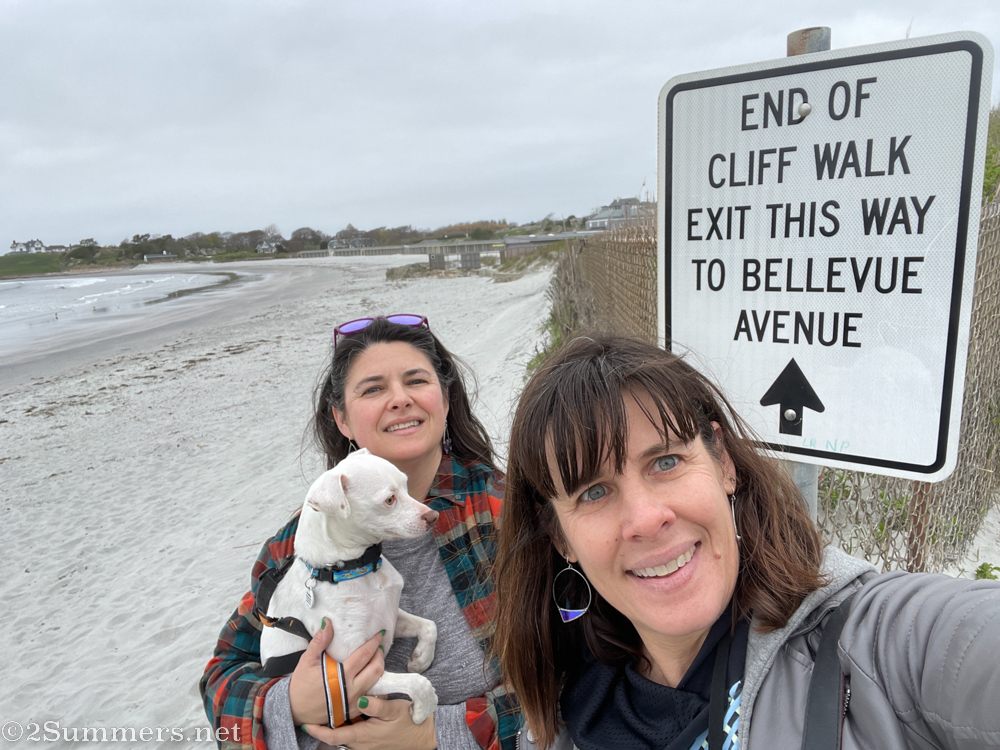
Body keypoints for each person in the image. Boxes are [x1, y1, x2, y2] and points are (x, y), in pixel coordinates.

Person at [493, 333, 1000, 750]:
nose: (645, 519)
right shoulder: (559, 709)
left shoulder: (876, 645)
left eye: (665, 461)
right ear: (561, 536)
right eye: (595, 491)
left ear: (724, 466)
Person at [200, 315, 522, 750]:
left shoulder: (508, 511)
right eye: (373, 389)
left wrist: (436, 735)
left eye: (416, 381)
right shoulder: (294, 544)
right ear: (343, 420)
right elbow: (223, 676)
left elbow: (580, 672)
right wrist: (291, 701)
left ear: (445, 400)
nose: (400, 399)